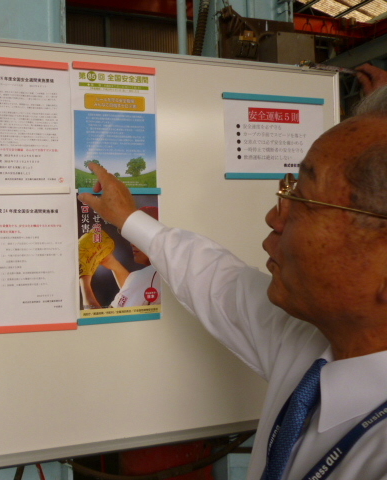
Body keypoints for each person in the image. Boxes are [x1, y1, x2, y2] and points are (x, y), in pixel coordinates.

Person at [77, 86, 387, 480]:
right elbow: (217, 281)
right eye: (288, 189)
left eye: (305, 199)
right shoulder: (309, 343)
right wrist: (129, 219)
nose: (274, 216)